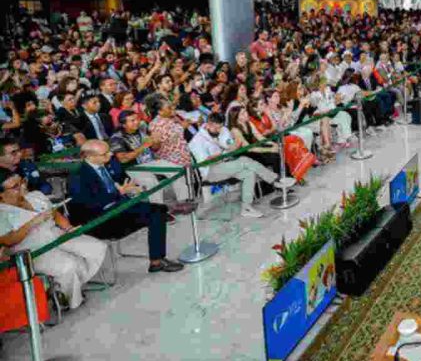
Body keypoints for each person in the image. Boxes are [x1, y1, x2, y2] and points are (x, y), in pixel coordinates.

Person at [67, 140, 183, 273]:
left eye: (109, 151)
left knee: (159, 210)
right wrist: (118, 193)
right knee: (156, 213)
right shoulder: (78, 176)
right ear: (89, 156)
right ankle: (157, 261)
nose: (110, 154)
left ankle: (156, 261)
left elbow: (124, 180)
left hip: (119, 207)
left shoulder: (110, 162)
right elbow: (88, 205)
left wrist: (134, 189)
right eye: (105, 154)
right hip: (100, 219)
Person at [0, 171, 107, 310]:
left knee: (97, 248)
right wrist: (31, 223)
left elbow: (55, 214)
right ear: (1, 194)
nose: (23, 187)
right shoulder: (2, 213)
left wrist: (69, 228)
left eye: (22, 182)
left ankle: (67, 288)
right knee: (69, 265)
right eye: (16, 187)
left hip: (56, 234)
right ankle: (67, 299)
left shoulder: (36, 196)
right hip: (32, 250)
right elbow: (8, 240)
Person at [188, 112, 289, 218]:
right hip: (210, 171)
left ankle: (246, 208)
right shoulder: (196, 141)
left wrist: (233, 147)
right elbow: (205, 163)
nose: (219, 131)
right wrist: (224, 153)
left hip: (226, 163)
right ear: (208, 124)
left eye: (220, 127)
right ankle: (275, 180)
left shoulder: (223, 130)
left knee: (249, 173)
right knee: (245, 160)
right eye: (216, 128)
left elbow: (230, 146)